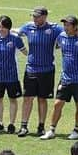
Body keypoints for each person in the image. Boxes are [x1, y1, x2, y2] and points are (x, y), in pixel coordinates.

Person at [15, 7, 62, 137]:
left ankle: (41, 126)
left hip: (47, 70)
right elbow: (15, 31)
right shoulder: (28, 27)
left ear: (45, 17)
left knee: (42, 99)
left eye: (37, 16)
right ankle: (23, 126)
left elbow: (68, 33)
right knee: (28, 98)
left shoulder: (54, 29)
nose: (34, 19)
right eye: (33, 16)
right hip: (31, 69)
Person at [41, 15, 78, 140]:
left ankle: (76, 130)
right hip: (65, 78)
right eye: (65, 25)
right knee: (57, 104)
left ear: (75, 27)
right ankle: (51, 129)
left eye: (68, 25)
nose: (66, 27)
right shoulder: (61, 37)